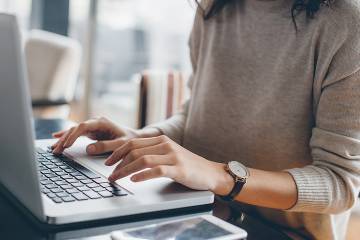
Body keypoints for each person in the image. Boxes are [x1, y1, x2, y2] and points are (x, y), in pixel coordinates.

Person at [52, 0, 360, 239]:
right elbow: (194, 115)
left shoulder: (346, 22)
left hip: (278, 233)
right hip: (195, 213)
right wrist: (140, 139)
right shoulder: (213, 8)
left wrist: (221, 176)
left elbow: (340, 184)